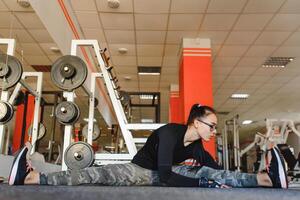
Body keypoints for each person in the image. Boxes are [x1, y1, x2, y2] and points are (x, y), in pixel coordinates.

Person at [8, 104, 288, 188]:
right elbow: (164, 177)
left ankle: (265, 179)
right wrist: (204, 184)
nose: (214, 131)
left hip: (171, 172)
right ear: (195, 122)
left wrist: (219, 179)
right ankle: (33, 176)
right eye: (211, 126)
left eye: (215, 127)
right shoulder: (169, 133)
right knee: (94, 174)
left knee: (210, 172)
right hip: (140, 170)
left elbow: (215, 169)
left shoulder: (196, 147)